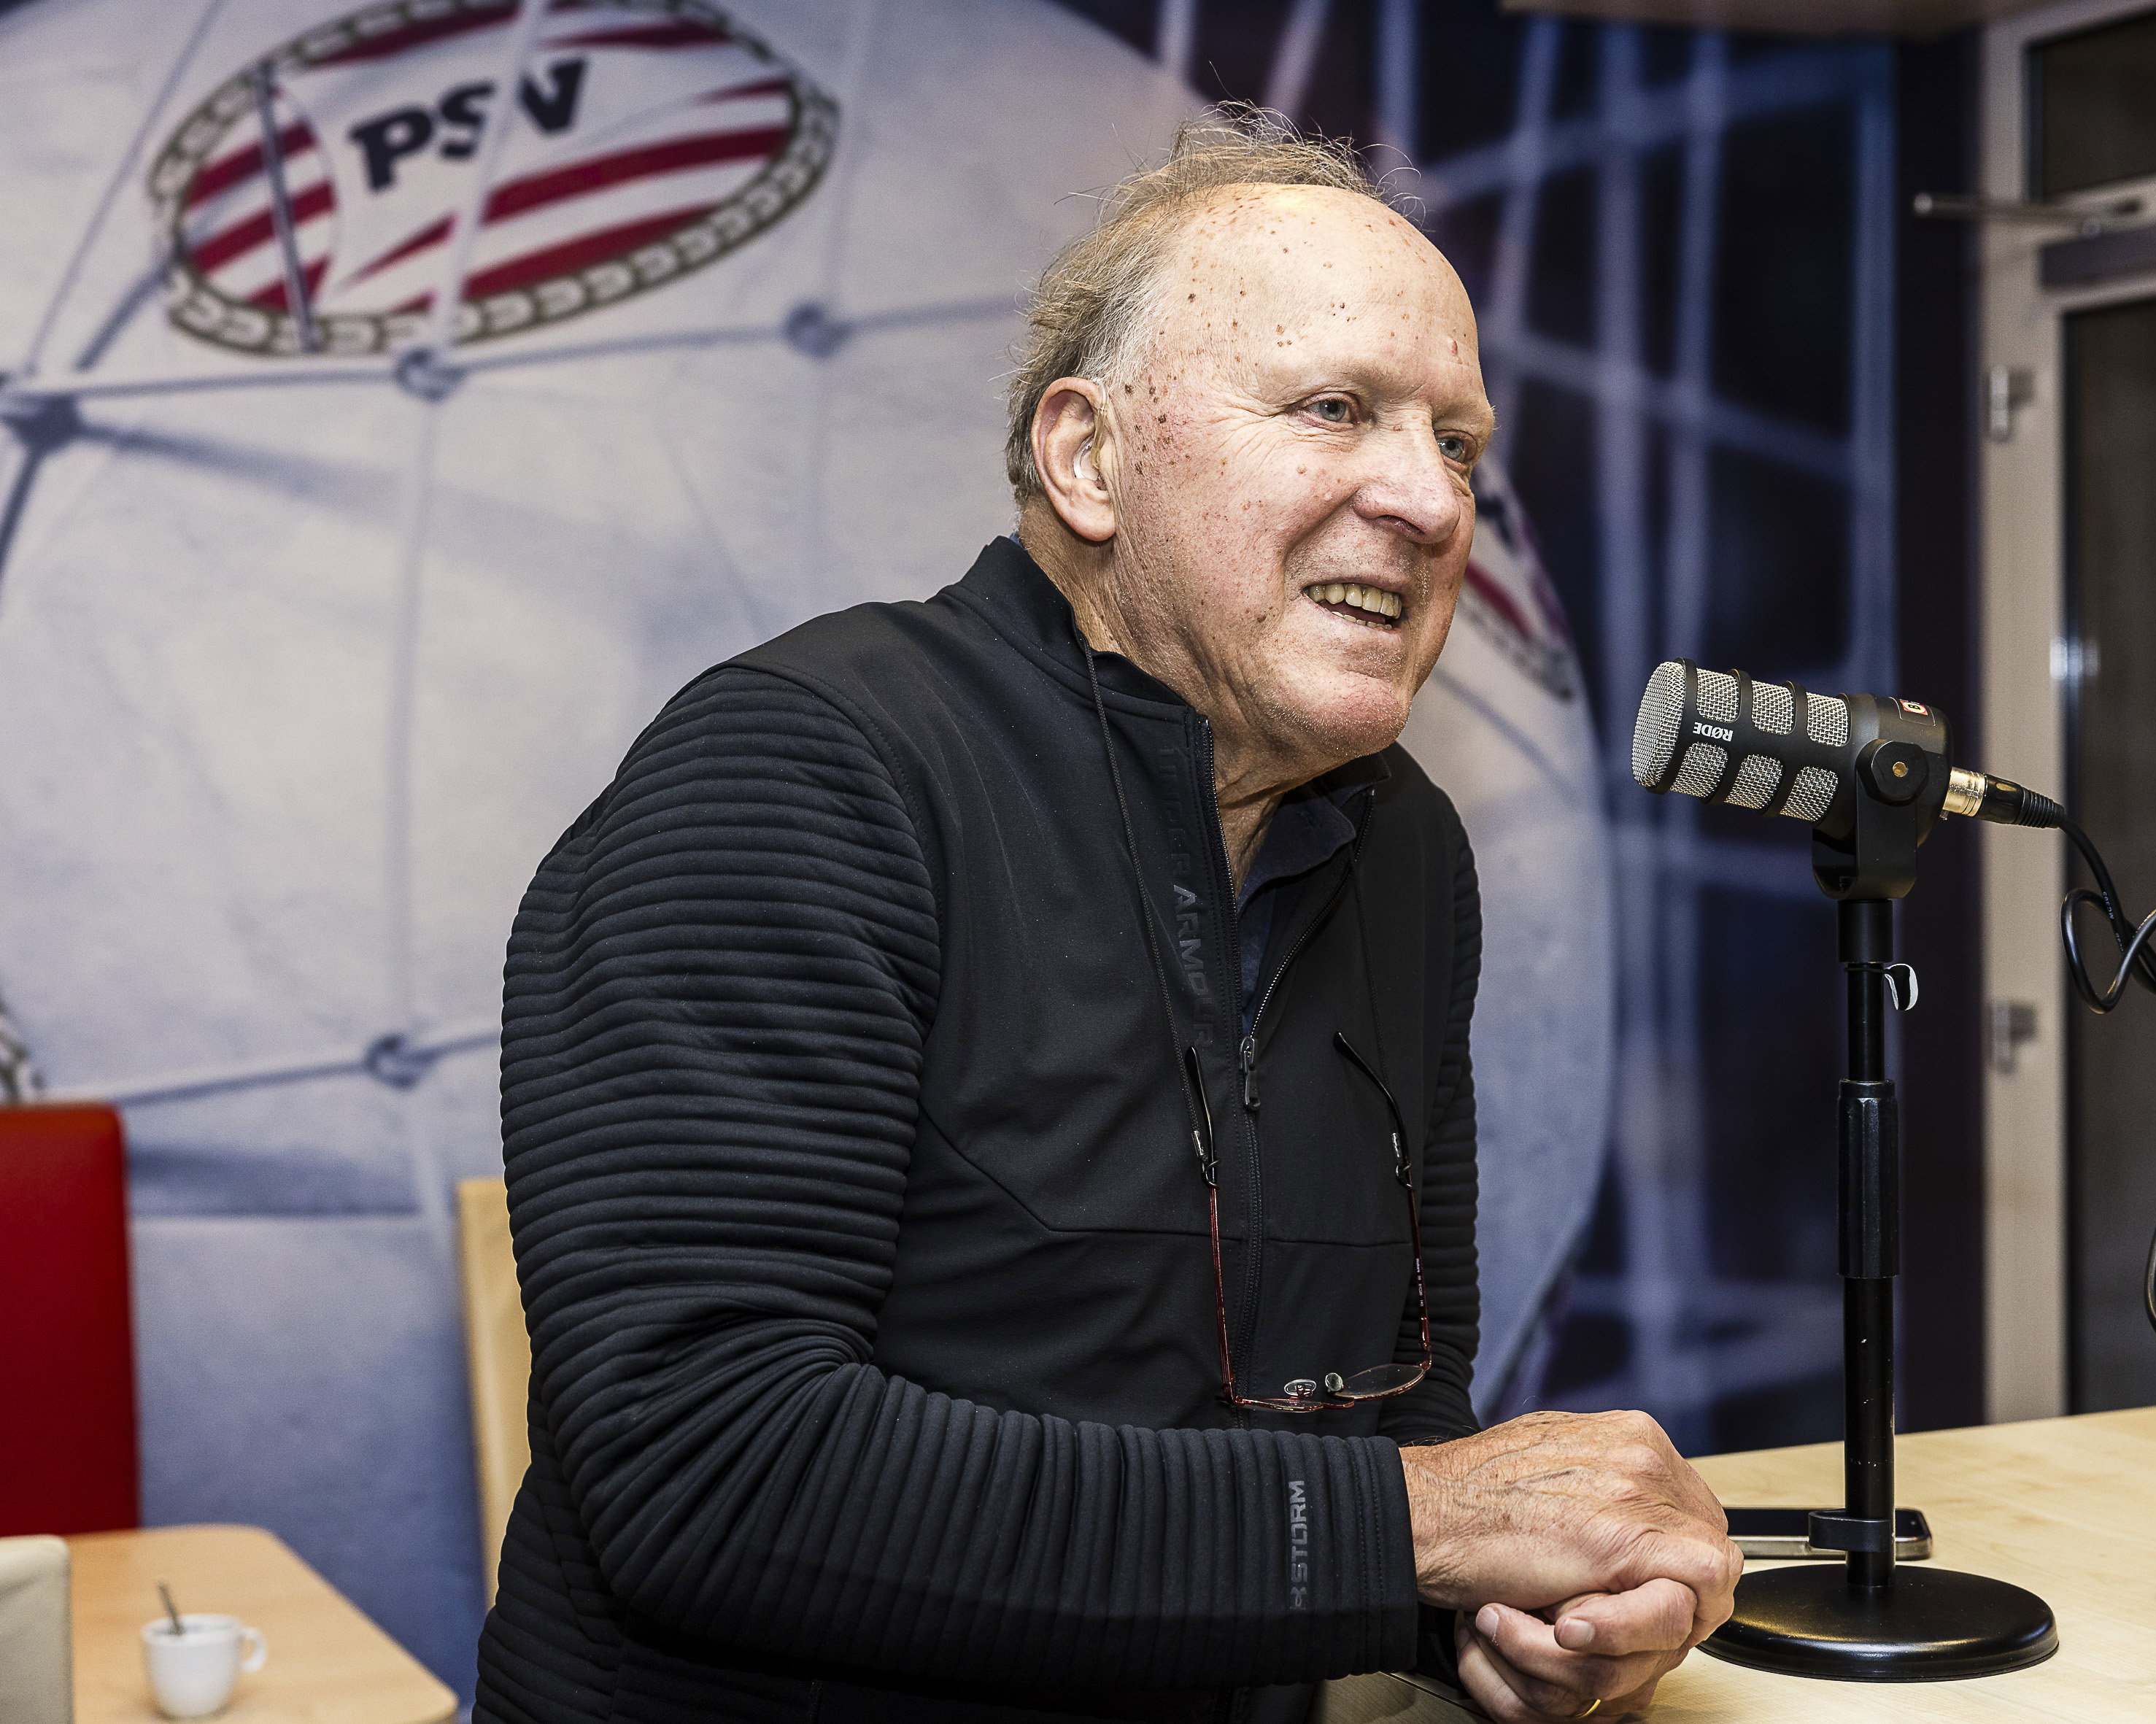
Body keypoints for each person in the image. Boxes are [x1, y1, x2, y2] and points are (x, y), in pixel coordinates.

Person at [474, 109, 1740, 1724]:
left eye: (1456, 444)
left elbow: (1392, 1428)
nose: (1429, 502)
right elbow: (709, 1472)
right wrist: (1428, 1530)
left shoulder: (1406, 847)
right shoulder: (798, 771)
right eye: (1335, 409)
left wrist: (1502, 1618)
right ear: (1088, 459)